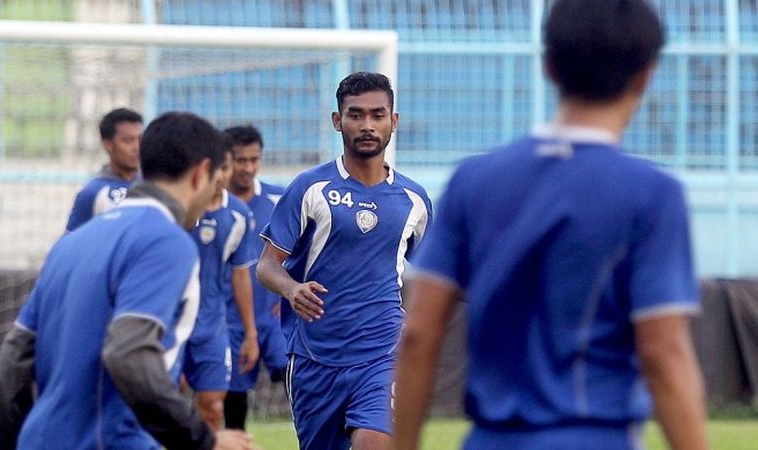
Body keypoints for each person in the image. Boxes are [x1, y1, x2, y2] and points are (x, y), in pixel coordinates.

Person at [392, 1, 708, 450]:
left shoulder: (474, 181)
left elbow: (419, 334)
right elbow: (664, 352)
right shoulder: (652, 195)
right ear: (647, 74)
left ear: (549, 66)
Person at [0, 112, 255, 450]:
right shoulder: (166, 240)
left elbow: (12, 367)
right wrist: (203, 440)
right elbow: (128, 353)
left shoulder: (72, 242)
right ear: (202, 172)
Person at [257, 72, 432, 450]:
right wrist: (292, 289)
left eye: (377, 115)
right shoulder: (311, 188)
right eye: (356, 115)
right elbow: (267, 266)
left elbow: (442, 275)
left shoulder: (413, 200)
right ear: (338, 121)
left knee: (374, 442)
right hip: (314, 357)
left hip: (382, 351)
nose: (367, 125)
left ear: (393, 121)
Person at [182, 144, 261, 431]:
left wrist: (251, 334)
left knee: (214, 408)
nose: (220, 176)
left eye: (225, 168)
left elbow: (241, 276)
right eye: (216, 168)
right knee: (168, 409)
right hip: (174, 325)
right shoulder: (182, 208)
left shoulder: (238, 215)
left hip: (212, 326)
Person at [222, 125, 288, 430]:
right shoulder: (213, 206)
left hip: (276, 316)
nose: (248, 168)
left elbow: (310, 246)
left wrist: (289, 292)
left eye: (254, 159)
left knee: (297, 379)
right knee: (232, 402)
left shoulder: (280, 199)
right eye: (240, 160)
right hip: (230, 319)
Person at [65, 107, 143, 231]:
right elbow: (71, 242)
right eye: (128, 141)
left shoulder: (154, 184)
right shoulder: (94, 192)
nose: (137, 147)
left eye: (140, 139)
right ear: (108, 144)